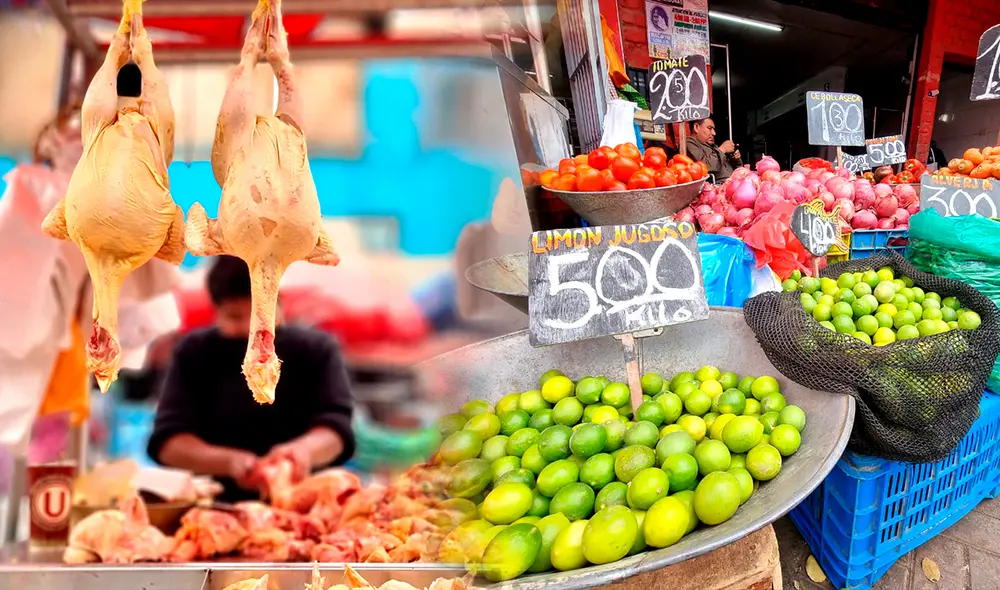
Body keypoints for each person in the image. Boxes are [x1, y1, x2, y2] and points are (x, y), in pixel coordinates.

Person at [147, 256, 356, 502]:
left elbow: (336, 430)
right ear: (216, 311)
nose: (252, 328)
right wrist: (230, 462)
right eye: (235, 317)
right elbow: (169, 444)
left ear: (281, 303)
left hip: (306, 505)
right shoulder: (194, 352)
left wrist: (301, 452)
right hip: (215, 508)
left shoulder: (318, 350)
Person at [685, 118, 742, 182]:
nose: (714, 133)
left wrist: (735, 159)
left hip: (732, 182)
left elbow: (738, 168)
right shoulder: (689, 143)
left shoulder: (713, 146)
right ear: (696, 127)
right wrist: (722, 150)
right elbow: (706, 167)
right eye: (709, 128)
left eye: (713, 129)